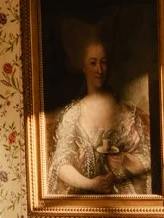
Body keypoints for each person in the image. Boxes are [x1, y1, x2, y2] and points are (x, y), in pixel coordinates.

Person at [47, 30, 151, 195]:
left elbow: (148, 159)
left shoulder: (127, 113)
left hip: (124, 201)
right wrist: (91, 184)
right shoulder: (73, 115)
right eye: (93, 63)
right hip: (85, 199)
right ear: (84, 67)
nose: (99, 70)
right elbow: (60, 164)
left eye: (103, 63)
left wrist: (125, 160)